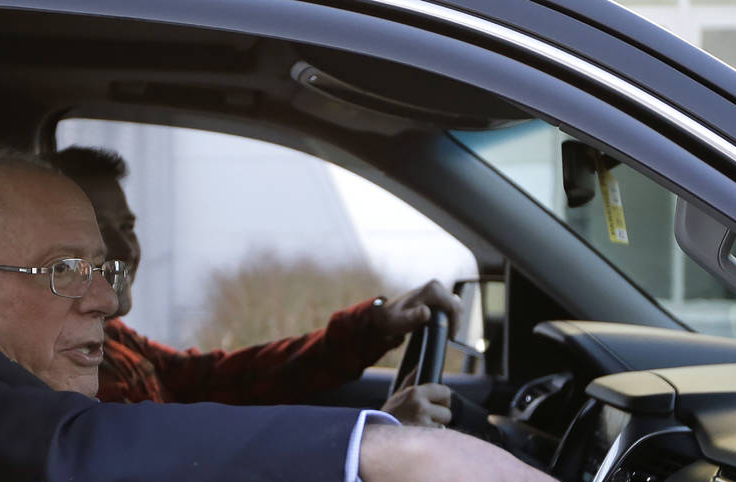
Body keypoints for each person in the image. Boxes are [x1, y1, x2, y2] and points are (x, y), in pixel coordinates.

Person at [0, 150, 678, 482]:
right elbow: (93, 444)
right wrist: (410, 454)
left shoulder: (110, 346)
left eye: (103, 262)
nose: (106, 295)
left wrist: (366, 331)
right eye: (65, 269)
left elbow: (216, 379)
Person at [46, 146, 455, 427]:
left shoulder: (111, 337)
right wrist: (375, 443)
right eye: (98, 231)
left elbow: (215, 379)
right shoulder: (63, 366)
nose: (124, 249)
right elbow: (187, 458)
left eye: (127, 226)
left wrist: (375, 324)